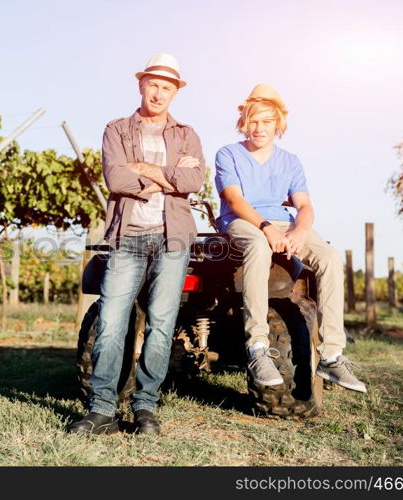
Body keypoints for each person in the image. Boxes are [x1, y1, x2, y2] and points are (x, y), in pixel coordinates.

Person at [68, 53, 206, 435]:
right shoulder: (117, 129)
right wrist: (169, 177)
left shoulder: (187, 134)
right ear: (141, 85)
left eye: (167, 87)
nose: (159, 93)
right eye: (154, 85)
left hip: (172, 238)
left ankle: (145, 408)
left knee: (162, 326)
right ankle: (102, 409)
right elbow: (116, 178)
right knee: (111, 323)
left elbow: (195, 182)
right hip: (127, 237)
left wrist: (145, 170)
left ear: (174, 92)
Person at [214, 84, 366, 393]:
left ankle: (332, 354)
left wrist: (298, 230)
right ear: (244, 121)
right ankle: (258, 347)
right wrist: (267, 227)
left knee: (329, 256)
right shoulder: (228, 154)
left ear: (278, 124)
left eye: (267, 121)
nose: (259, 128)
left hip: (285, 223)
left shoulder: (290, 161)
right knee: (258, 245)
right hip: (245, 222)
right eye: (253, 120)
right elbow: (234, 200)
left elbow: (305, 206)